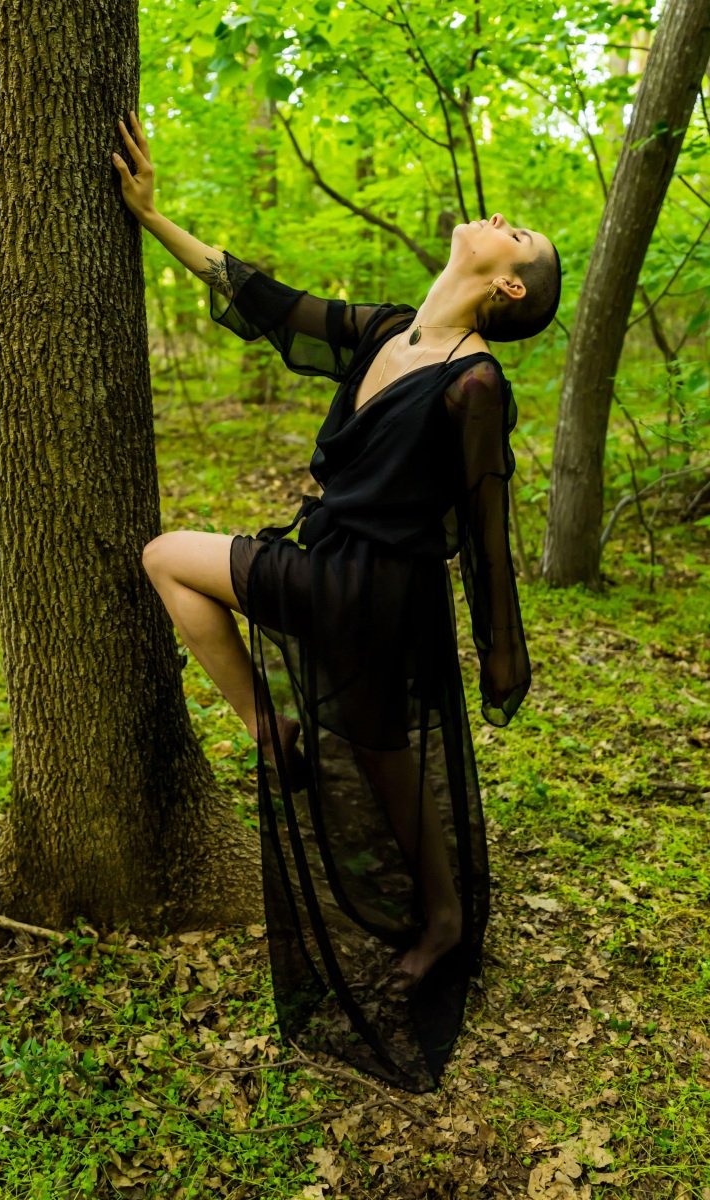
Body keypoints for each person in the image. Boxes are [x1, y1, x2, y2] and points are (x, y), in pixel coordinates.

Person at [112, 111, 561, 1092]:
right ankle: (282, 742)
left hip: (380, 596)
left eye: (517, 233)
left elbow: (485, 524)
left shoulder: (474, 383)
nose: (499, 219)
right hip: (328, 565)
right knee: (180, 571)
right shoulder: (389, 329)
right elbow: (268, 301)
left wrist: (501, 654)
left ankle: (429, 905)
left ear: (509, 285)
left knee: (385, 764)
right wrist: (150, 216)